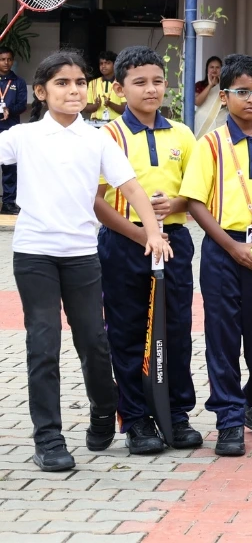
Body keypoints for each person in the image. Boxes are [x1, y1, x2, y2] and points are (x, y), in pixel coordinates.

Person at [0, 50, 167, 471]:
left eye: (78, 82)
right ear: (41, 92)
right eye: (61, 83)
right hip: (34, 253)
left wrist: (153, 233)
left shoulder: (97, 138)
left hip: (81, 257)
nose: (72, 90)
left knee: (93, 341)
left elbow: (130, 188)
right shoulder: (22, 137)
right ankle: (49, 439)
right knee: (43, 343)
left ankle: (101, 408)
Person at [179, 54, 252, 458]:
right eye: (242, 92)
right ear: (225, 95)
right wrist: (231, 247)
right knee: (223, 337)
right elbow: (195, 202)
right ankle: (229, 418)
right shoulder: (210, 144)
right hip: (222, 249)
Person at [94, 46, 202, 454]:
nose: (151, 89)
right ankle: (137, 420)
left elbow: (195, 194)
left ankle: (176, 413)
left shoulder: (182, 134)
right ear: (120, 89)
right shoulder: (107, 136)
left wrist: (173, 207)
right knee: (127, 331)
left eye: (158, 81)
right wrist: (142, 234)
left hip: (174, 243)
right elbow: (96, 200)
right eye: (140, 82)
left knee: (175, 329)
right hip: (125, 242)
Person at [0, 45, 28, 215]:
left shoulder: (18, 82)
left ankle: (9, 203)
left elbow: (22, 105)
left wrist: (10, 109)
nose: (6, 63)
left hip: (10, 129)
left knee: (10, 167)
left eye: (9, 59)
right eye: (2, 59)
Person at [83, 50, 125, 126]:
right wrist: (95, 106)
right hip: (95, 124)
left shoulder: (121, 83)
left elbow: (125, 109)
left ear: (114, 64)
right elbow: (85, 108)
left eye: (107, 63)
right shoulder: (93, 83)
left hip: (116, 125)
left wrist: (110, 104)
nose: (103, 66)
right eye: (101, 63)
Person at [193, 56, 226, 136]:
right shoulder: (199, 85)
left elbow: (228, 103)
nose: (214, 70)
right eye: (212, 67)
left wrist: (221, 84)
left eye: (217, 67)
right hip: (202, 122)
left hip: (220, 123)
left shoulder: (226, 86)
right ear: (207, 69)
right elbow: (197, 102)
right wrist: (210, 85)